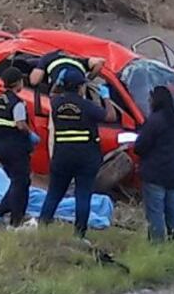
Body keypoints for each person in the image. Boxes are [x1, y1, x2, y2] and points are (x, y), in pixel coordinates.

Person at [38, 69, 116, 238]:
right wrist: (106, 98)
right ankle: (79, 234)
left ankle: (42, 227)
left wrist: (59, 82)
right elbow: (111, 116)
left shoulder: (56, 103)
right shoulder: (87, 106)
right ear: (81, 87)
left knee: (54, 194)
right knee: (83, 195)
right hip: (85, 158)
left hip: (62, 156)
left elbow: (53, 93)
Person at [133, 85, 174, 242]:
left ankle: (157, 246)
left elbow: (140, 147)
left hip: (155, 175)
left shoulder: (155, 121)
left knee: (155, 213)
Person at [0, 67, 38, 229]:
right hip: (16, 148)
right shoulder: (17, 104)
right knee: (21, 183)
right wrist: (31, 134)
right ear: (17, 83)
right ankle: (16, 220)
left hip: (1, 147)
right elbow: (20, 124)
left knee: (18, 181)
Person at [29, 50, 105, 90]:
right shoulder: (80, 57)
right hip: (79, 88)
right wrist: (89, 79)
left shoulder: (48, 57)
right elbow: (100, 62)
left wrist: (39, 67)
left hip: (60, 89)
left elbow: (34, 81)